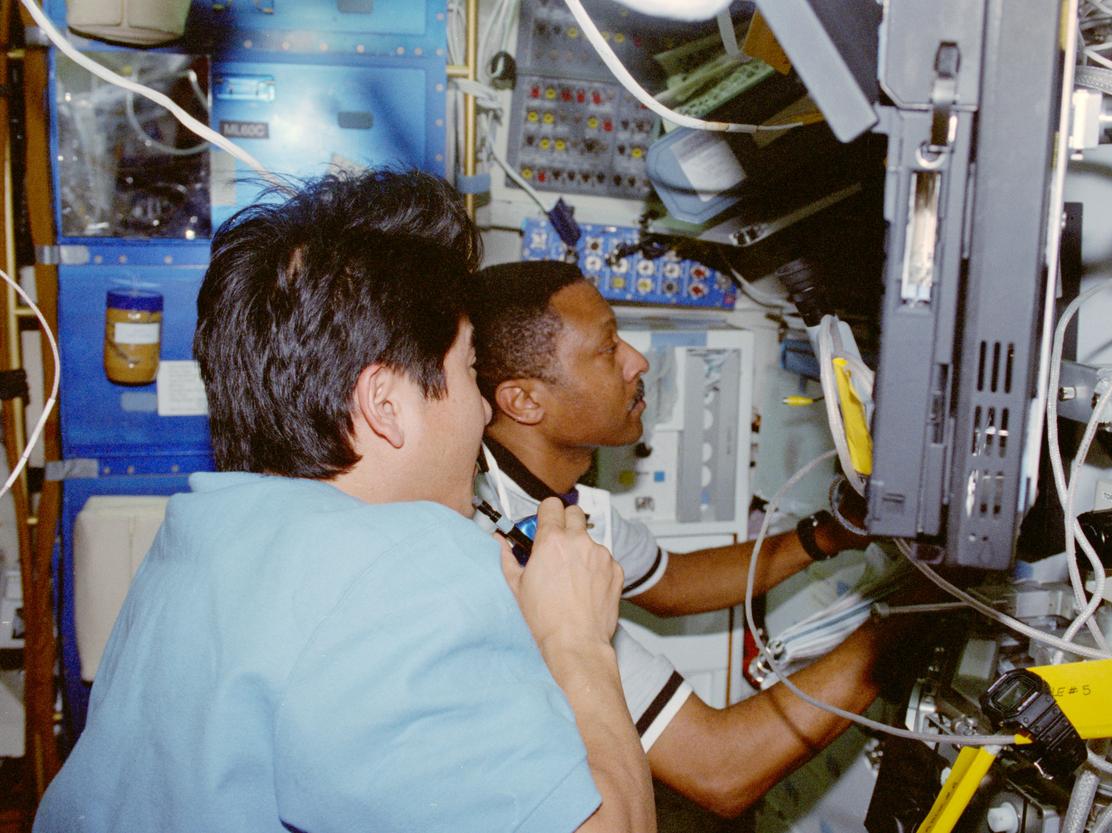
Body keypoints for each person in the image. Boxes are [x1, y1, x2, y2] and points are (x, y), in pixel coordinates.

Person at [34, 171, 655, 833]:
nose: (481, 409)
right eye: (470, 370)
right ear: (386, 404)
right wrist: (577, 639)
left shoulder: (195, 538)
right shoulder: (406, 572)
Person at [467, 260, 924, 819]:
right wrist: (913, 621)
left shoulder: (550, 502)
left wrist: (828, 535)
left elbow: (673, 582)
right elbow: (721, 767)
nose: (638, 361)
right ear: (524, 401)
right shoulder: (514, 559)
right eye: (609, 348)